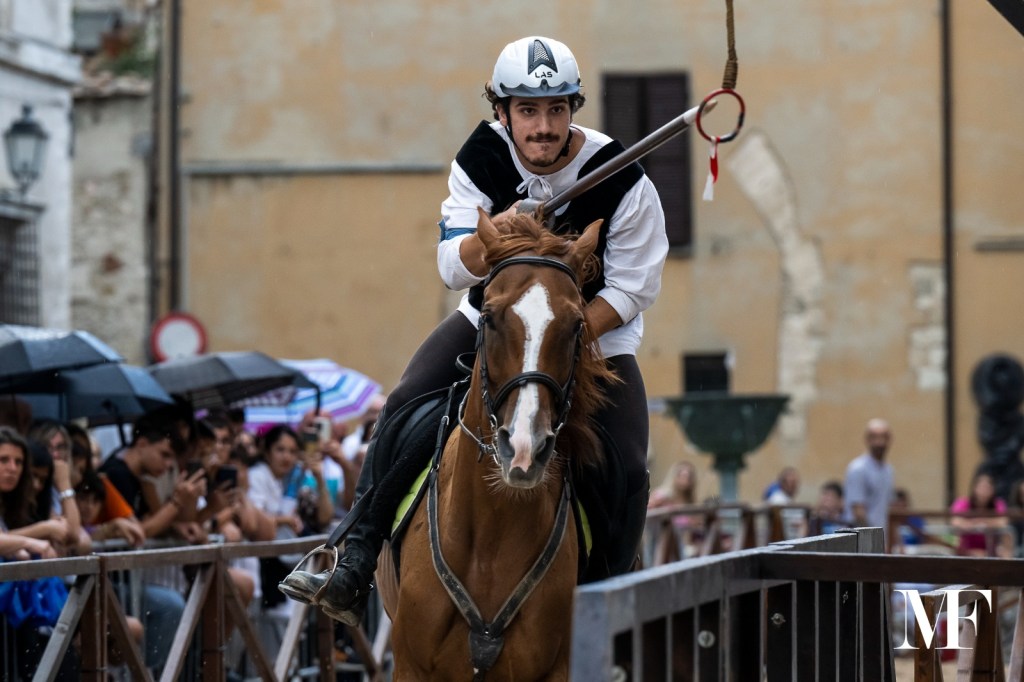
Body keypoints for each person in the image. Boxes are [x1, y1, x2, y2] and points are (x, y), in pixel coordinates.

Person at [281, 35, 669, 625]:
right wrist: (499, 232)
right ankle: (353, 556)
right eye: (528, 111)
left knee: (629, 463)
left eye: (557, 109)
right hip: (492, 320)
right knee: (404, 402)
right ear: (502, 112)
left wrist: (557, 339)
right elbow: (450, 265)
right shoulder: (480, 158)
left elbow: (634, 287)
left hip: (593, 334)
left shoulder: (624, 177)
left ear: (573, 109)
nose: (544, 127)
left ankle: (610, 600)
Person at [843, 418, 895, 533]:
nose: (880, 442)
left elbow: (888, 507)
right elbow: (858, 511)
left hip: (880, 536)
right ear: (867, 439)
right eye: (875, 437)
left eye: (884, 437)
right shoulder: (858, 468)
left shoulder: (888, 470)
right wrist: (871, 537)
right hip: (860, 536)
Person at [950, 471, 1011, 557]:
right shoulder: (962, 502)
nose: (984, 491)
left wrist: (980, 522)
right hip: (966, 550)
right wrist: (977, 525)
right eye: (981, 487)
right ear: (974, 488)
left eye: (987, 487)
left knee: (1005, 548)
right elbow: (955, 521)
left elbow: (1003, 522)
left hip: (992, 550)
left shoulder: (998, 503)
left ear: (993, 490)